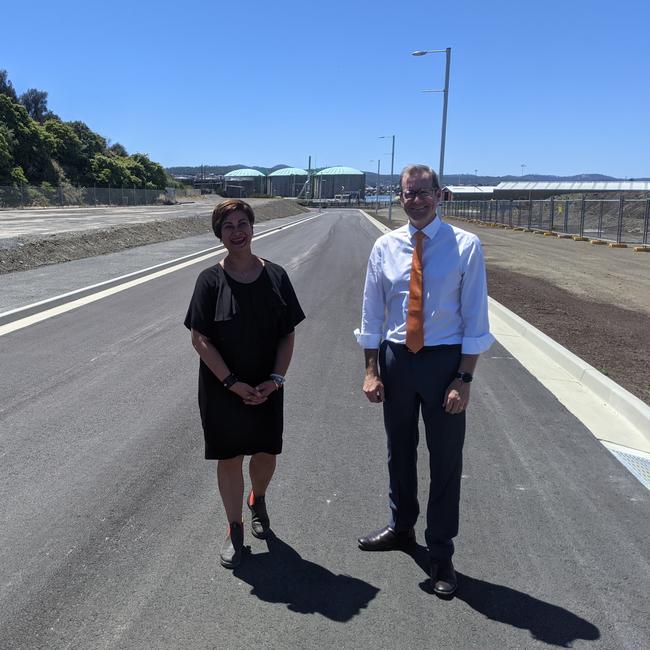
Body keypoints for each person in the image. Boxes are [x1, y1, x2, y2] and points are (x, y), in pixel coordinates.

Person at [354, 164, 494, 597]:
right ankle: (402, 527)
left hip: (444, 364)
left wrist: (464, 378)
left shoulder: (465, 246)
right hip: (397, 360)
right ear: (400, 197)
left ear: (439, 194)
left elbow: (475, 317)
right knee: (399, 450)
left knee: (445, 459)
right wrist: (371, 369)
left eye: (423, 192)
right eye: (408, 193)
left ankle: (441, 552)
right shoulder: (385, 247)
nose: (416, 200)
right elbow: (372, 312)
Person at [184, 199, 305, 569]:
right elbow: (199, 339)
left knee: (266, 453)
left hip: (267, 386)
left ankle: (259, 498)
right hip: (224, 388)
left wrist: (276, 379)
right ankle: (234, 528)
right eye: (228, 226)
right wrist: (232, 383)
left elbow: (287, 335)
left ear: (253, 228)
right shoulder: (209, 280)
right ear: (219, 235)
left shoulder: (277, 276)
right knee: (230, 456)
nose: (237, 232)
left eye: (242, 223)